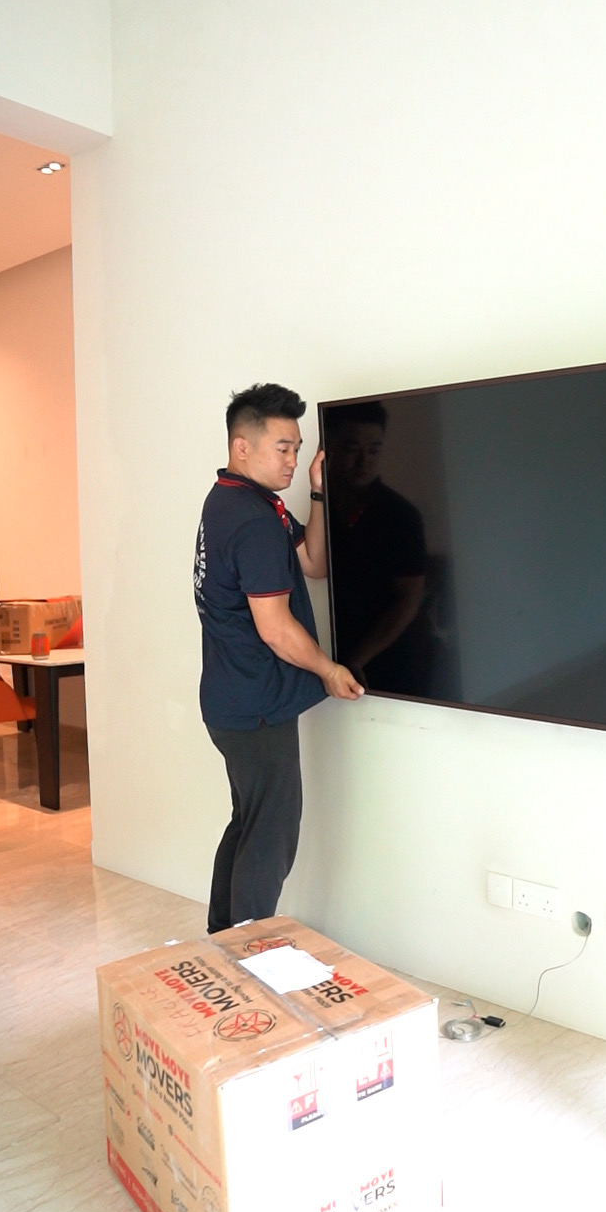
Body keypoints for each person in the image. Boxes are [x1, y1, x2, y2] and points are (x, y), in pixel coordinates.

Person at [194, 382, 362, 933]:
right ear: (242, 446)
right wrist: (328, 669)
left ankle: (222, 942)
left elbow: (314, 563)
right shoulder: (252, 521)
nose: (292, 459)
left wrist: (318, 493)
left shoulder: (234, 500)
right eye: (283, 448)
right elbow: (275, 627)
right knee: (271, 836)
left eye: (296, 449)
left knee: (248, 823)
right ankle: (248, 954)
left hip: (231, 701)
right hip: (257, 706)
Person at [326, 402, 433, 695]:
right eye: (353, 449)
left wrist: (354, 661)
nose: (364, 462)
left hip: (385, 662)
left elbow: (408, 600)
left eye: (374, 451)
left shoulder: (400, 515)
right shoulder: (313, 507)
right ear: (330, 444)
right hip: (321, 659)